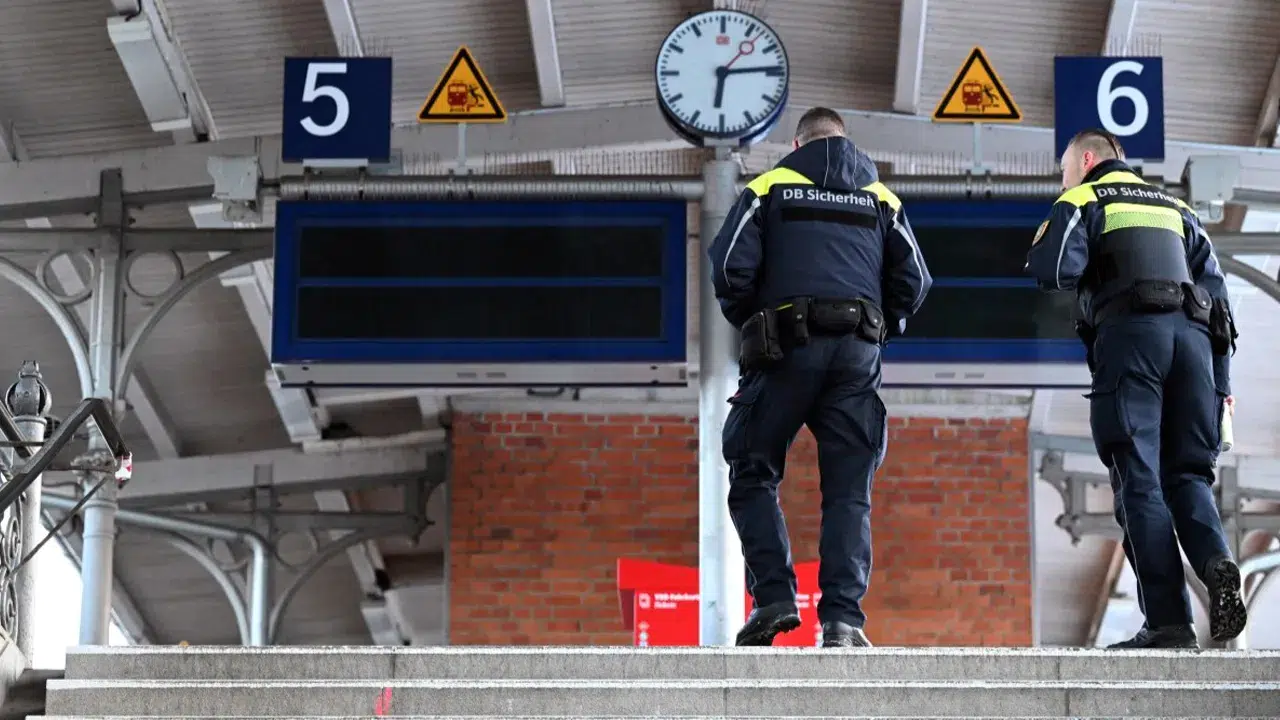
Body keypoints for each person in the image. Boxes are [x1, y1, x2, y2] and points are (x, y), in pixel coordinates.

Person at [707, 107, 932, 647]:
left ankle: (775, 599)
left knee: (752, 469)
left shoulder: (768, 188)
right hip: (857, 357)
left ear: (796, 144)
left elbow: (729, 268)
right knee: (849, 491)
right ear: (845, 140)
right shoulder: (882, 198)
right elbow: (916, 280)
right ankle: (842, 620)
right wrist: (878, 329)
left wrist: (756, 322)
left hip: (785, 350)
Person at [1026, 128, 1248, 649]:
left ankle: (1169, 623)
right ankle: (1216, 561)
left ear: (1086, 159)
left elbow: (1051, 268)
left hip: (1133, 341)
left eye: (1064, 169)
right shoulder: (1179, 209)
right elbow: (1220, 308)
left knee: (1139, 481)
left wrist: (1063, 221)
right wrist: (1222, 388)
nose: (1063, 179)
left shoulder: (1085, 198)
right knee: (1188, 477)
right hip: (1195, 351)